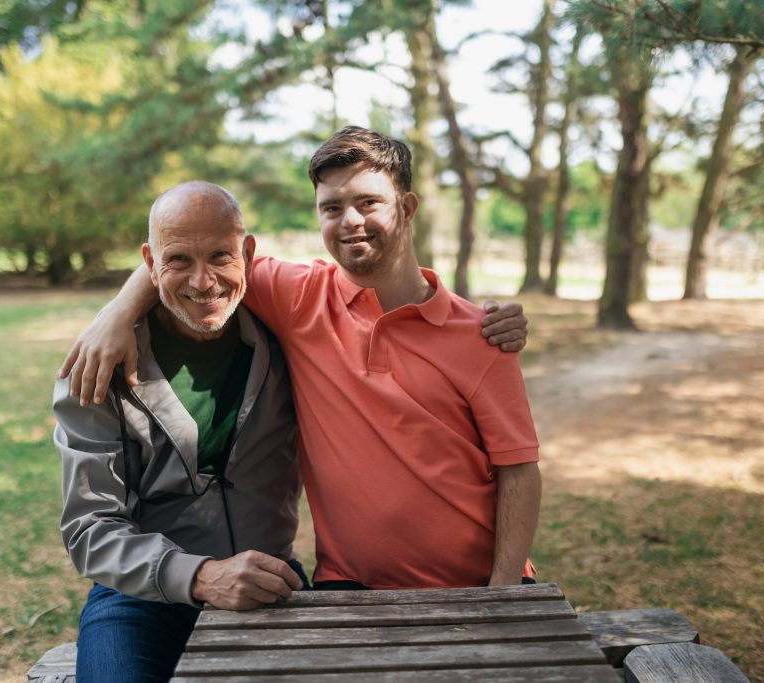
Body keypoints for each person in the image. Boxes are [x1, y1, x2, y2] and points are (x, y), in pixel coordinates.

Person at [60, 127, 540, 590]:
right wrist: (116, 313)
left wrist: (502, 590)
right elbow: (192, 254)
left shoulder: (481, 333)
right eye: (332, 207)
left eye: (368, 202)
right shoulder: (298, 297)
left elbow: (518, 469)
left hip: (477, 583)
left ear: (407, 208)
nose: (349, 220)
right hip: (350, 585)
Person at [54, 182, 307, 683]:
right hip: (140, 597)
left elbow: (380, 303)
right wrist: (200, 576)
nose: (203, 281)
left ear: (248, 253)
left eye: (220, 256)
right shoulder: (94, 369)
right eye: (178, 261)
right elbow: (89, 529)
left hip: (269, 581)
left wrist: (487, 321)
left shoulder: (290, 336)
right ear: (150, 262)